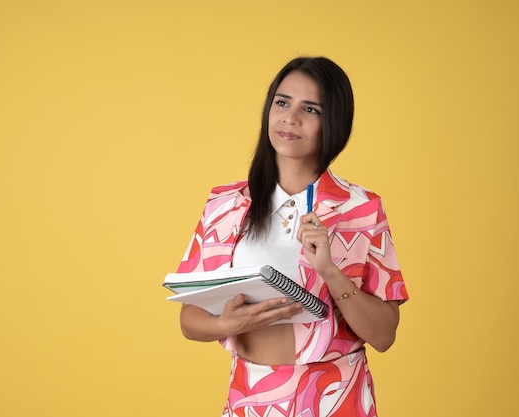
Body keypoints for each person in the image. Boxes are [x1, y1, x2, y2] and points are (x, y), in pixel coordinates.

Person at [175, 56, 409, 417]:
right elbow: (190, 317)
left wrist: (330, 271)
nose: (290, 117)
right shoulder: (224, 204)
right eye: (282, 102)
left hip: (335, 394)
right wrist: (226, 324)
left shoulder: (361, 209)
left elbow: (384, 336)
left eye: (310, 109)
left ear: (333, 122)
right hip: (249, 395)